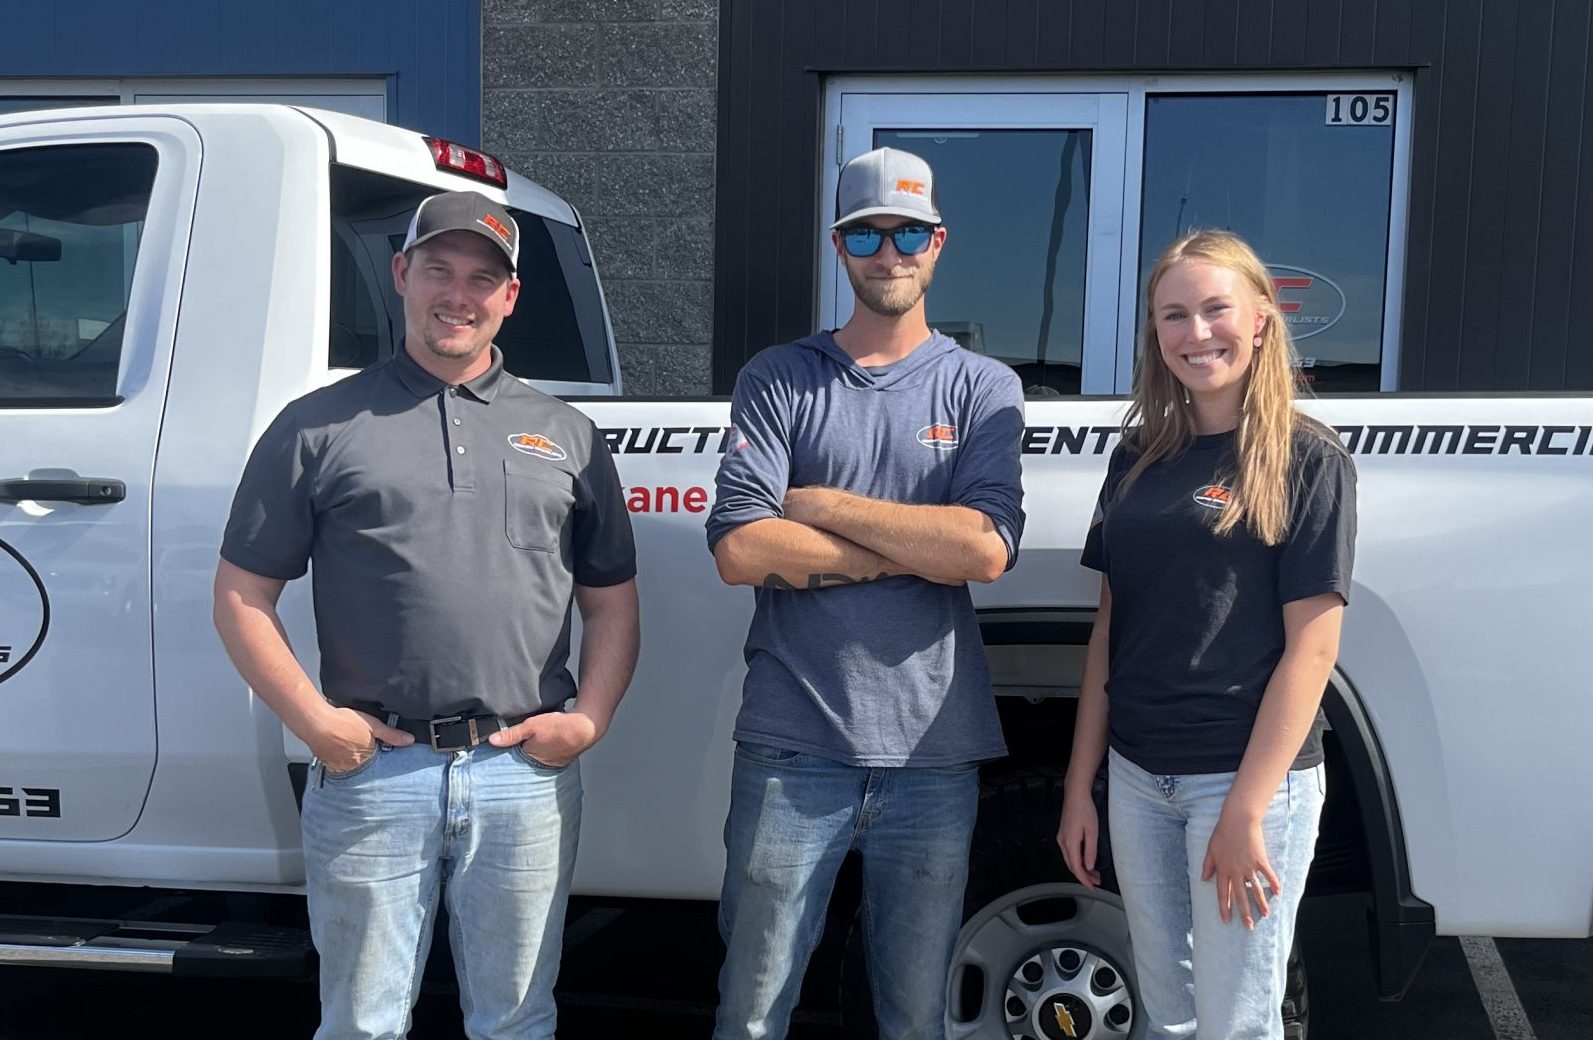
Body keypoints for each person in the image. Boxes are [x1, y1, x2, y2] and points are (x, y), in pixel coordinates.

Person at [212, 191, 640, 1040]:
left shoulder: (567, 434)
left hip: (524, 776)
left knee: (515, 1022)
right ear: (402, 275)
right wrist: (316, 726)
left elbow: (612, 601)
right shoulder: (319, 425)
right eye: (439, 269)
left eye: (484, 278)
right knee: (362, 1024)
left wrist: (586, 722)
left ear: (509, 298)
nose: (459, 294)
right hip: (373, 774)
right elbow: (240, 596)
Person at [705, 147, 1026, 1040]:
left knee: (915, 1014)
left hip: (933, 754)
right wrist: (913, 546)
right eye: (867, 233)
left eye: (909, 232)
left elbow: (983, 548)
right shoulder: (779, 377)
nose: (890, 252)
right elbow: (739, 549)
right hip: (790, 746)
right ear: (840, 246)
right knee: (752, 1006)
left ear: (938, 242)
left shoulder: (980, 387)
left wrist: (827, 509)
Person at [1057, 230, 1356, 1040]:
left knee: (1236, 1022)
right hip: (1137, 778)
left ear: (1260, 317)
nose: (1197, 334)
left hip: (1243, 782)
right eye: (1173, 315)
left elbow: (1313, 649)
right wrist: (1080, 785)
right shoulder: (1135, 458)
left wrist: (1245, 811)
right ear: (1155, 334)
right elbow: (1110, 629)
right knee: (1166, 1015)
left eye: (1215, 309)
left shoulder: (1305, 458)